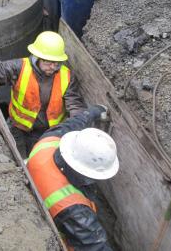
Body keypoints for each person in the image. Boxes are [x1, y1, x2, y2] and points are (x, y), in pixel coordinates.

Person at [0, 31, 85, 157]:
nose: (52, 67)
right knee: (16, 159)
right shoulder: (21, 67)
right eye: (48, 62)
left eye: (56, 63)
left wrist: (77, 126)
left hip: (46, 133)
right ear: (37, 58)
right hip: (18, 128)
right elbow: (1, 69)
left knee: (38, 161)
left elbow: (75, 105)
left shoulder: (66, 77)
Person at [27, 105, 119, 250]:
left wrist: (93, 112)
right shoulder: (75, 210)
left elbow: (71, 124)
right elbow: (96, 245)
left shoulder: (48, 142)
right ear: (87, 173)